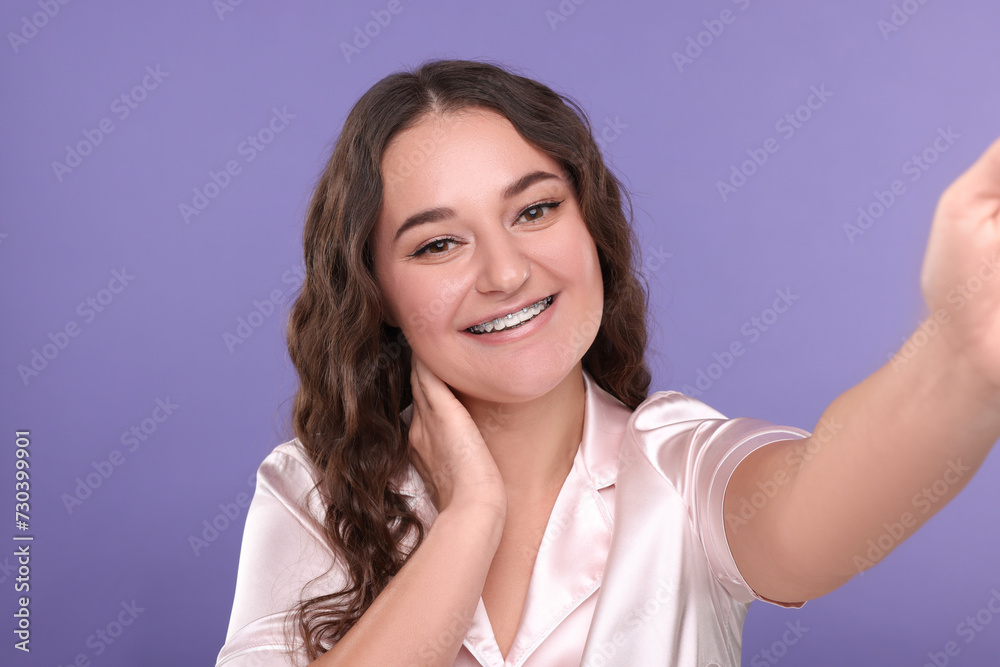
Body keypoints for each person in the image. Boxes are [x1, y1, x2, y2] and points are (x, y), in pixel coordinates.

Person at [215, 58, 1000, 667]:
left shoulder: (676, 466)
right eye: (438, 243)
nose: (505, 272)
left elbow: (817, 505)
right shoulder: (310, 493)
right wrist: (469, 520)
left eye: (535, 209)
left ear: (590, 227)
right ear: (376, 291)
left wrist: (961, 353)